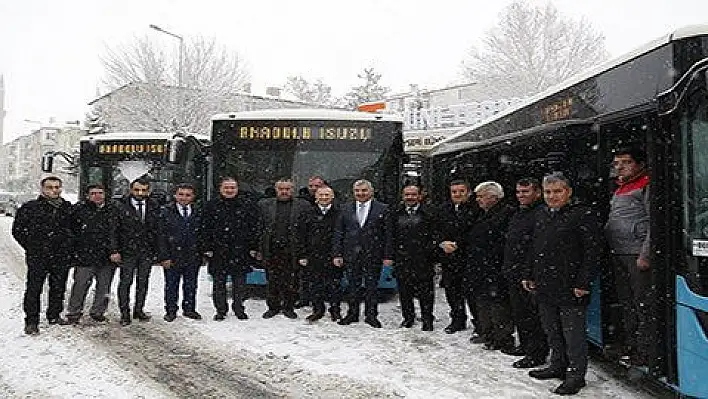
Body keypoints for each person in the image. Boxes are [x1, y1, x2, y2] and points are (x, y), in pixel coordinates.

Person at [524, 172, 603, 396]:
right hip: (544, 284)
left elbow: (592, 252)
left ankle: (576, 376)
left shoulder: (583, 215)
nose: (552, 196)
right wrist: (529, 273)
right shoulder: (541, 215)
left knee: (573, 335)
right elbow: (534, 247)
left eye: (557, 191)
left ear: (568, 192)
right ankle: (557, 365)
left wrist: (583, 281)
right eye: (548, 192)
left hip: (571, 286)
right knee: (552, 330)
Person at [605, 147, 655, 368]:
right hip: (618, 252)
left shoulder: (645, 185)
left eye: (626, 162)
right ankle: (631, 344)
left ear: (640, 164)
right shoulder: (620, 188)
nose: (620, 167)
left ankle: (645, 350)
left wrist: (645, 254)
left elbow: (654, 222)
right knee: (627, 304)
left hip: (636, 255)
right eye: (616, 163)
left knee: (641, 304)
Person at [12, 176, 74, 335]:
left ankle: (54, 314)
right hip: (38, 256)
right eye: (50, 187)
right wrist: (32, 247)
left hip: (61, 256)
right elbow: (18, 231)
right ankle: (31, 321)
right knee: (34, 288)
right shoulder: (30, 208)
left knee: (58, 287)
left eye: (57, 187)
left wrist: (68, 248)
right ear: (42, 189)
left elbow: (75, 231)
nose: (54, 190)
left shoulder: (67, 208)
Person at [333, 179, 394, 328]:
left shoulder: (383, 209)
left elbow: (388, 234)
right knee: (352, 286)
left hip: (374, 254)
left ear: (371, 192)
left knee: (372, 287)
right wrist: (337, 253)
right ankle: (352, 314)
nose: (360, 194)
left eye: (364, 191)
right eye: (357, 191)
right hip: (350, 254)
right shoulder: (345, 208)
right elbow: (339, 232)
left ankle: (371, 315)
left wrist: (388, 255)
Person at [200, 176, 261, 321]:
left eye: (232, 188)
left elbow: (254, 228)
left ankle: (239, 308)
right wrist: (206, 247)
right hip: (218, 251)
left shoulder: (247, 205)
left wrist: (253, 247)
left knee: (240, 284)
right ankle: (221, 310)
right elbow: (204, 228)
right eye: (226, 188)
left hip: (240, 250)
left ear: (237, 189)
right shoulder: (210, 206)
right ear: (220, 189)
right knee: (219, 284)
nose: (229, 190)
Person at [503, 178, 549, 369]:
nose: (521, 195)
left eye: (525, 192)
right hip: (514, 270)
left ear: (537, 193)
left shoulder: (540, 213)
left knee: (532, 315)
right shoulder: (519, 213)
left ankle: (536, 353)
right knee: (520, 312)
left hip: (529, 272)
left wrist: (529, 272)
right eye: (518, 192)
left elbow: (535, 246)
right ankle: (525, 345)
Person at [466, 181, 515, 350]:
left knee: (498, 306)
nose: (478, 200)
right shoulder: (482, 214)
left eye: (481, 196)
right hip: (481, 267)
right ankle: (488, 334)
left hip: (495, 267)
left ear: (494, 197)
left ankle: (501, 338)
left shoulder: (506, 214)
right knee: (484, 303)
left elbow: (501, 243)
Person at [66, 184, 120, 324]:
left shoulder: (113, 210)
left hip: (107, 256)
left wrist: (115, 250)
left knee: (104, 287)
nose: (97, 196)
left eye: (100, 193)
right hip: (85, 255)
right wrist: (75, 251)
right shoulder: (79, 210)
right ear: (87, 195)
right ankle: (74, 312)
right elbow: (71, 232)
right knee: (81, 285)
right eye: (93, 193)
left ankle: (98, 312)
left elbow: (116, 232)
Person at [259, 178, 311, 319]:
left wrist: (305, 252)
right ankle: (273, 307)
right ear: (276, 190)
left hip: (293, 250)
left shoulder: (303, 206)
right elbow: (259, 228)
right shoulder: (264, 205)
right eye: (281, 189)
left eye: (287, 189)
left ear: (292, 190)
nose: (284, 192)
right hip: (272, 249)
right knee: (272, 280)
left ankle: (289, 307)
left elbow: (307, 230)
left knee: (292, 281)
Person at [114, 177, 160, 326]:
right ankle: (124, 313)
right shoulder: (120, 206)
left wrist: (156, 250)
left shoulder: (154, 205)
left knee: (143, 282)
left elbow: (157, 230)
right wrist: (114, 250)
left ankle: (139, 309)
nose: (140, 193)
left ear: (149, 191)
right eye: (137, 189)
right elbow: (114, 230)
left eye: (144, 190)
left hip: (146, 251)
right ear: (131, 190)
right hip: (127, 251)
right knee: (125, 282)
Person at [393, 184, 437, 331]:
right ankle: (408, 318)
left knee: (426, 293)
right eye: (407, 195)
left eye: (413, 194)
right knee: (404, 292)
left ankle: (427, 319)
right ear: (402, 196)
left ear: (419, 196)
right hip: (402, 259)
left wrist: (429, 251)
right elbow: (391, 236)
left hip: (423, 260)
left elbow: (434, 235)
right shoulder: (395, 213)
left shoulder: (429, 213)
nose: (410, 197)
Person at [296, 186, 343, 322]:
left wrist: (339, 254)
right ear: (316, 197)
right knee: (315, 285)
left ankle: (335, 310)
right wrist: (302, 255)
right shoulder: (308, 213)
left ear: (332, 197)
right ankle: (318, 309)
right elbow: (301, 235)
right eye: (321, 195)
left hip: (333, 255)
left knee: (335, 285)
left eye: (327, 195)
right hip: (313, 255)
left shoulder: (339, 213)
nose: (324, 198)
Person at [437, 179, 478, 334]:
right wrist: (441, 243)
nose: (457, 194)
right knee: (452, 292)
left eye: (461, 191)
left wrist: (457, 244)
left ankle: (478, 324)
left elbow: (474, 232)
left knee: (472, 294)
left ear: (468, 192)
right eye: (454, 192)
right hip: (449, 259)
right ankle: (457, 320)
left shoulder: (476, 209)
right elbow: (436, 229)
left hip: (468, 258)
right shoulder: (443, 209)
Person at [157, 183, 203, 322]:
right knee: (171, 285)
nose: (184, 198)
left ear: (193, 197)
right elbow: (161, 236)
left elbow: (202, 233)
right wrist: (164, 256)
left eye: (188, 195)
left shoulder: (198, 211)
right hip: (172, 255)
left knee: (191, 284)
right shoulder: (165, 211)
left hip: (192, 255)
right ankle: (171, 310)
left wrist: (201, 253)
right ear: (175, 195)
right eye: (181, 194)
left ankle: (189, 309)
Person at [295, 175, 326, 308]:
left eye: (317, 186)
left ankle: (321, 299)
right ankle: (304, 298)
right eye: (311, 186)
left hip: (325, 245)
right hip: (307, 245)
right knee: (304, 275)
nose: (313, 189)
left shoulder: (334, 203)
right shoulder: (300, 203)